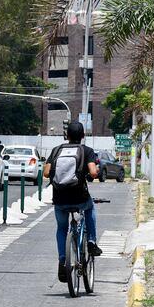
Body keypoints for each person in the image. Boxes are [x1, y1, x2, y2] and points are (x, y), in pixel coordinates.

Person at [43, 121, 103, 283]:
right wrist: (95, 171)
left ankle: (63, 259)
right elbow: (93, 172)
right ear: (83, 136)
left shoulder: (56, 150)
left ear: (66, 136)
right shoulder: (86, 151)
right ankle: (91, 241)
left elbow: (46, 173)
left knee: (62, 228)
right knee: (90, 209)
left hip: (60, 198)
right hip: (79, 197)